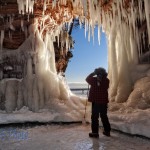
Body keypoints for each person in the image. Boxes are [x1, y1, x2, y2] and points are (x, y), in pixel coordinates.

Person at [85, 67, 111, 138]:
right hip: (103, 102)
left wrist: (93, 73)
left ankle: (95, 133)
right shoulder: (107, 80)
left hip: (95, 102)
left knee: (94, 117)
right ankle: (107, 131)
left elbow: (87, 79)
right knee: (104, 116)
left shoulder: (94, 80)